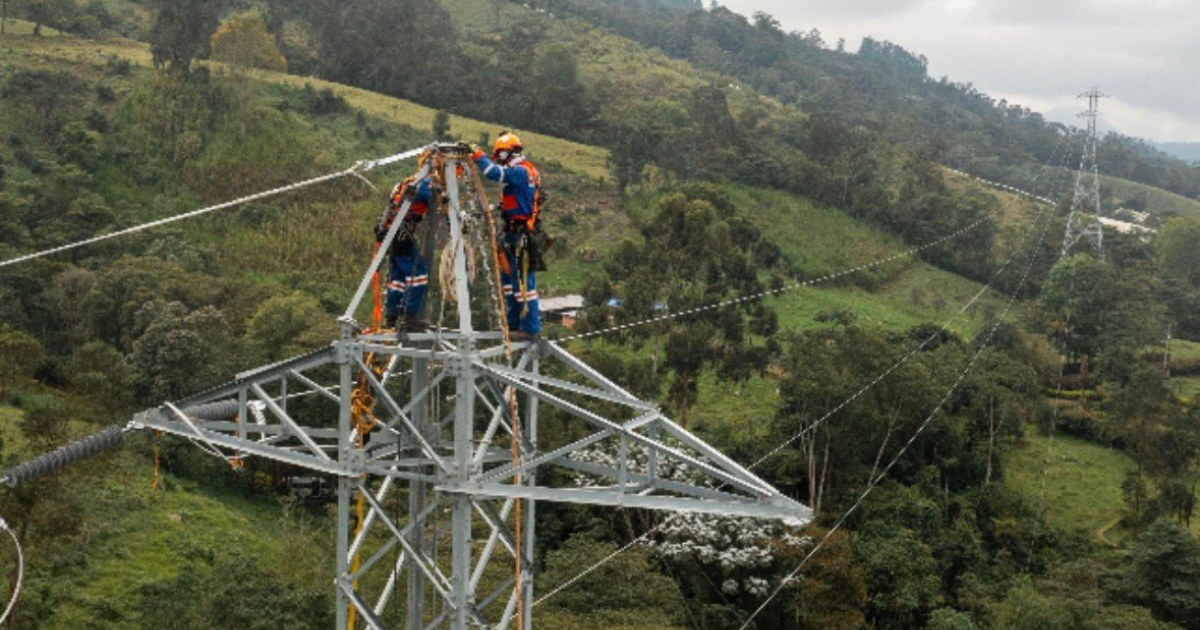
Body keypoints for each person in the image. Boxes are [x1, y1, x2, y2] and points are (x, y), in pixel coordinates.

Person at [470, 131, 543, 338]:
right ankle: (513, 325)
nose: (501, 161)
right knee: (510, 282)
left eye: (501, 156)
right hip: (512, 232)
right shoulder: (518, 174)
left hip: (521, 234)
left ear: (510, 152)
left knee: (522, 283)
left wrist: (477, 155)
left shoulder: (520, 171)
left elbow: (492, 173)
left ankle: (529, 328)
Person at [374, 176, 432, 331]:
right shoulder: (427, 183)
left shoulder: (407, 183)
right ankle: (408, 314)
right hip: (401, 234)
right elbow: (427, 196)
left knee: (398, 278)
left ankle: (392, 315)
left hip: (392, 234)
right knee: (419, 274)